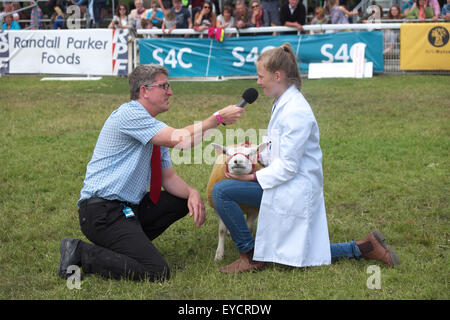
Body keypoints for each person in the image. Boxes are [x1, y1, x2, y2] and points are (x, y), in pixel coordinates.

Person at [212, 43, 401, 274]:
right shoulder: (283, 102)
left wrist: (250, 177)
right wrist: (254, 153)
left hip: (294, 187)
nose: (258, 82)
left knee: (221, 191)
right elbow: (278, 151)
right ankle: (363, 247)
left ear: (278, 75)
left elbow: (288, 167)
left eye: (261, 76)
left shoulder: (295, 111)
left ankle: (249, 255)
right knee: (304, 254)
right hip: (286, 183)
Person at [58, 64, 245, 282]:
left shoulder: (152, 127)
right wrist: (217, 118)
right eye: (164, 86)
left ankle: (130, 246)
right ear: (144, 90)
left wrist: (192, 192)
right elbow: (181, 139)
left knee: (178, 200)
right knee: (156, 271)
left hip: (128, 209)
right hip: (103, 212)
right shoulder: (130, 114)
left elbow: (170, 178)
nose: (170, 92)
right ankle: (81, 252)